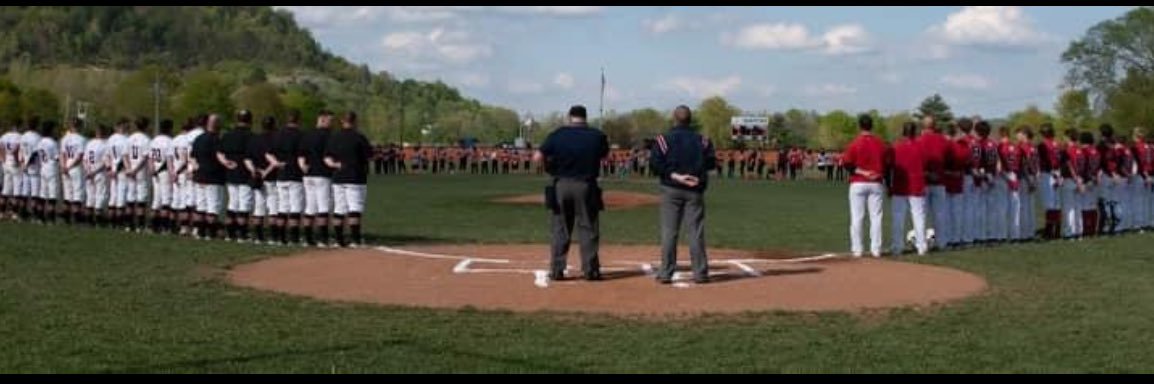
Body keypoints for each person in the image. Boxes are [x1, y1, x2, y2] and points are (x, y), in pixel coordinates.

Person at [534, 105, 609, 281]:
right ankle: (590, 270)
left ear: (570, 117)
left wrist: (550, 167)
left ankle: (557, 270)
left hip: (561, 184)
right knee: (588, 227)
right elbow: (605, 156)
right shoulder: (597, 135)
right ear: (585, 117)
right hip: (586, 184)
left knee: (560, 227)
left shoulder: (558, 134)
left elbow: (537, 157)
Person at [650, 105, 716, 284]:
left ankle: (665, 273)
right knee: (695, 232)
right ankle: (700, 273)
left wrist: (675, 175)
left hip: (671, 188)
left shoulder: (664, 139)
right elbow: (711, 163)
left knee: (670, 232)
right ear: (690, 120)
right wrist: (694, 174)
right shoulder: (702, 140)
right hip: (694, 190)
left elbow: (655, 164)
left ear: (674, 118)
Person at [324, 111, 372, 248]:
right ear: (355, 121)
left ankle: (339, 240)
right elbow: (369, 156)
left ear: (342, 121)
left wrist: (335, 165)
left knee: (339, 208)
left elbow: (327, 158)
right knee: (354, 207)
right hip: (355, 176)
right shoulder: (359, 137)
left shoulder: (334, 137)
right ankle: (355, 240)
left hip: (338, 176)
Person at [843, 114, 888, 258]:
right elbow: (888, 163)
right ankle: (876, 249)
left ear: (860, 126)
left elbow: (847, 164)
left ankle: (857, 249)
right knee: (876, 217)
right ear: (871, 126)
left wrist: (863, 172)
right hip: (876, 183)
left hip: (858, 182)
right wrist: (878, 173)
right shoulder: (880, 143)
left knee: (857, 217)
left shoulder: (855, 143)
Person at [888, 122, 927, 256]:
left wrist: (889, 185)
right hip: (917, 184)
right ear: (914, 132)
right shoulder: (921, 146)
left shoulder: (896, 147)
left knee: (898, 217)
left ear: (903, 132)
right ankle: (921, 246)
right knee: (919, 217)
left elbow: (889, 166)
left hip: (900, 185)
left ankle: (897, 246)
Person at [300, 110, 335, 247]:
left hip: (308, 174)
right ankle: (323, 238)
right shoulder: (329, 136)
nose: (331, 123)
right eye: (330, 120)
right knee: (323, 207)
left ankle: (308, 238)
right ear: (323, 119)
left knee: (310, 206)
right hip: (322, 174)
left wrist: (303, 167)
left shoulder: (307, 135)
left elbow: (301, 155)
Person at [271, 110, 306, 245]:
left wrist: (276, 163)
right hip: (295, 174)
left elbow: (269, 153)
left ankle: (281, 237)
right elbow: (302, 155)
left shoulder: (278, 134)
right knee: (295, 208)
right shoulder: (301, 135)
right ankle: (294, 238)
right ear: (298, 120)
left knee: (282, 207)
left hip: (281, 174)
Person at [220, 110, 255, 242]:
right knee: (244, 203)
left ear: (237, 119)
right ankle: (242, 234)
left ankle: (230, 233)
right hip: (245, 173)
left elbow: (220, 153)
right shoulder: (251, 136)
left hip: (231, 172)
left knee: (233, 202)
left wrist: (226, 163)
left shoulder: (227, 135)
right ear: (250, 120)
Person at [917, 116, 951, 251]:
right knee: (940, 213)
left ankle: (922, 245)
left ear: (923, 127)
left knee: (921, 214)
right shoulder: (943, 140)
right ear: (935, 126)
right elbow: (949, 158)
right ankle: (942, 242)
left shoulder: (919, 140)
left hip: (924, 181)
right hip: (940, 180)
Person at [191, 114, 226, 240]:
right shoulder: (217, 139)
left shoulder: (199, 138)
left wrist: (197, 168)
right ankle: (211, 233)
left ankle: (200, 232)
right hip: (213, 176)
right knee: (213, 206)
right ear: (217, 125)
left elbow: (193, 157)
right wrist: (227, 163)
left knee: (201, 206)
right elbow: (219, 155)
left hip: (200, 176)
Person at [248, 116, 280, 245]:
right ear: (273, 125)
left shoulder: (254, 139)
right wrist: (266, 173)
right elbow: (274, 161)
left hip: (257, 177)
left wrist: (254, 171)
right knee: (273, 208)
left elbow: (247, 159)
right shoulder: (277, 138)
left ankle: (258, 237)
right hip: (272, 178)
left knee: (259, 208)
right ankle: (273, 237)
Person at [125, 117, 152, 231]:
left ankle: (128, 225)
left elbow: (125, 155)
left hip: (130, 169)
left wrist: (129, 169)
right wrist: (135, 170)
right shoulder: (146, 139)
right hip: (140, 171)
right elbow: (145, 157)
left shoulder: (129, 139)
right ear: (145, 126)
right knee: (141, 199)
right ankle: (140, 226)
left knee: (130, 197)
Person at [945, 123, 969, 248]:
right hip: (959, 179)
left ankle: (948, 237)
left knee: (947, 212)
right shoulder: (963, 146)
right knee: (957, 211)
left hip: (948, 179)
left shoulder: (948, 146)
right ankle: (957, 237)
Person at [148, 119, 174, 234]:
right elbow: (169, 159)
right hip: (164, 171)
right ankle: (164, 227)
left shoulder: (154, 140)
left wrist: (152, 170)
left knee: (156, 199)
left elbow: (150, 158)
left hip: (155, 171)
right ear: (169, 128)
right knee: (166, 199)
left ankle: (152, 226)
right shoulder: (169, 141)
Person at [1037, 124, 1063, 240]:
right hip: (1057, 173)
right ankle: (1057, 230)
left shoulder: (1043, 145)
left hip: (1048, 174)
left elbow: (1046, 161)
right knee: (1056, 203)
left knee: (1049, 204)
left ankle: (1049, 231)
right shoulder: (1058, 144)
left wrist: (1052, 173)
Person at [60, 118, 87, 225]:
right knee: (77, 193)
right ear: (79, 126)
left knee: (67, 193)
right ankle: (76, 218)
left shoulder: (65, 138)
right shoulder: (81, 139)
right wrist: (70, 166)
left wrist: (63, 166)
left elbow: (62, 154)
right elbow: (80, 156)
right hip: (75, 167)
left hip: (65, 165)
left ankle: (66, 218)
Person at [83, 125, 109, 227]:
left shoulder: (89, 144)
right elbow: (105, 162)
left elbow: (84, 160)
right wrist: (94, 172)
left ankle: (89, 221)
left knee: (90, 197)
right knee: (100, 195)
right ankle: (98, 221)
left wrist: (88, 171)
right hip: (99, 173)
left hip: (89, 173)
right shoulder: (105, 145)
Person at [1060, 129, 1084, 239]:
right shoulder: (1080, 150)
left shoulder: (1067, 151)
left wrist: (1075, 179)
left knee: (1069, 207)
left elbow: (1069, 166)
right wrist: (1080, 180)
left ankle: (1070, 232)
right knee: (1078, 207)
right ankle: (1079, 231)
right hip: (1080, 179)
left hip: (1070, 180)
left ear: (1068, 138)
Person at [105, 119, 128, 228]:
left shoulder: (110, 139)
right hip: (121, 170)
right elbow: (124, 158)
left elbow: (107, 156)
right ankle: (119, 222)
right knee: (120, 196)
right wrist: (116, 170)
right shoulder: (125, 139)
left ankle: (110, 222)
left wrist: (109, 169)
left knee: (113, 196)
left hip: (112, 169)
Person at [1017, 126, 1040, 241]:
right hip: (1033, 177)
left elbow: (1024, 165)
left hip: (1025, 178)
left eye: (1019, 133)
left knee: (1023, 206)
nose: (1017, 136)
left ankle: (1024, 233)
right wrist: (1035, 178)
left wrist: (1029, 180)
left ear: (1024, 134)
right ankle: (1031, 232)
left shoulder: (1023, 147)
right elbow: (1037, 165)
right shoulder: (1034, 147)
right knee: (1030, 206)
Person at [36, 120, 60, 224]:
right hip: (51, 168)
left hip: (43, 168)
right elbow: (57, 157)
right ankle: (50, 218)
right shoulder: (52, 142)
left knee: (42, 194)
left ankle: (40, 218)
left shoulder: (40, 142)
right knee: (52, 195)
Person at [19, 117, 42, 221]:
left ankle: (22, 214)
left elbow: (20, 151)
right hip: (34, 167)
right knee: (34, 193)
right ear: (36, 125)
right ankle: (33, 215)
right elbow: (35, 154)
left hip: (24, 167)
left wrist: (22, 163)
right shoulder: (38, 137)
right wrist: (27, 164)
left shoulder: (23, 136)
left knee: (25, 192)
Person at [1134, 128, 1154, 232]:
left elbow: (1141, 163)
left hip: (1141, 175)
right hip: (1150, 175)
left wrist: (1146, 175)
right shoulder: (1149, 147)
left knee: (1139, 200)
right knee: (1149, 200)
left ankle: (1140, 224)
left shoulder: (1138, 147)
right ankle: (1149, 222)